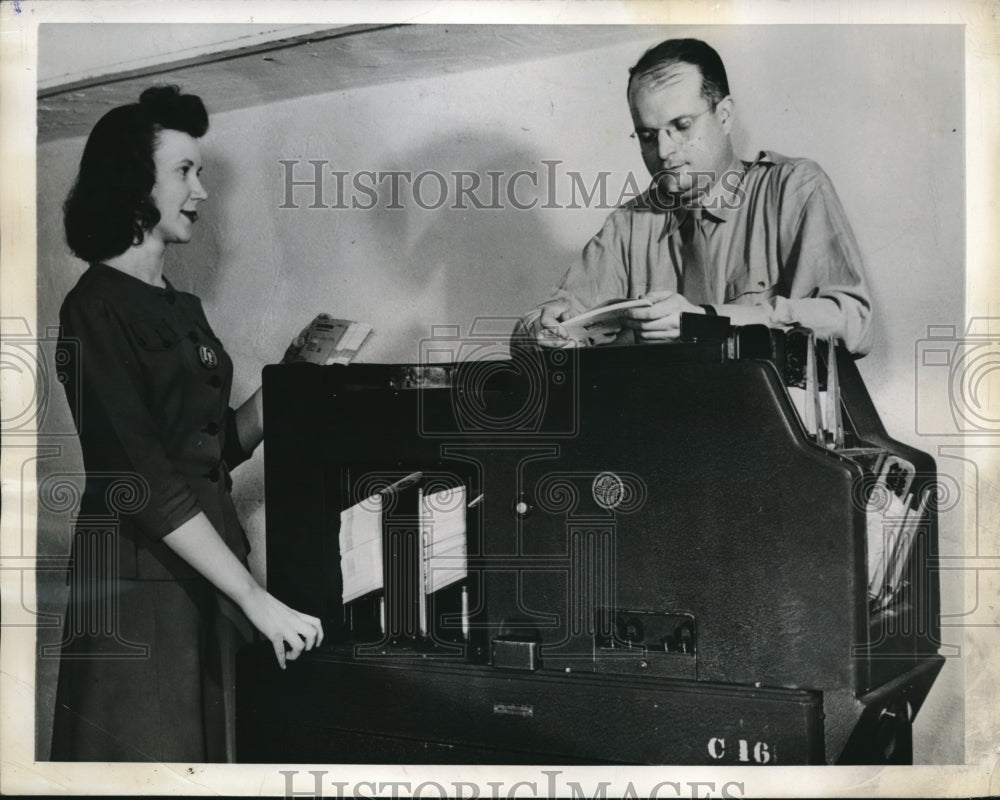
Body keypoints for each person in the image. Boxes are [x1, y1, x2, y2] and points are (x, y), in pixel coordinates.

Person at [50, 85, 323, 762]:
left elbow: (209, 451)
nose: (201, 190)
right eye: (184, 172)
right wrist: (255, 598)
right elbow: (140, 477)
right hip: (139, 583)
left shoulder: (182, 307)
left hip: (208, 568)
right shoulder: (94, 308)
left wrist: (286, 384)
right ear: (131, 184)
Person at [521, 38, 873, 355]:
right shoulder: (627, 225)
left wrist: (706, 320)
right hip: (667, 419)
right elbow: (546, 321)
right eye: (647, 135)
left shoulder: (793, 187)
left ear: (724, 116)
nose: (663, 150)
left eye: (682, 126)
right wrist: (542, 329)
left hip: (772, 419)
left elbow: (852, 321)